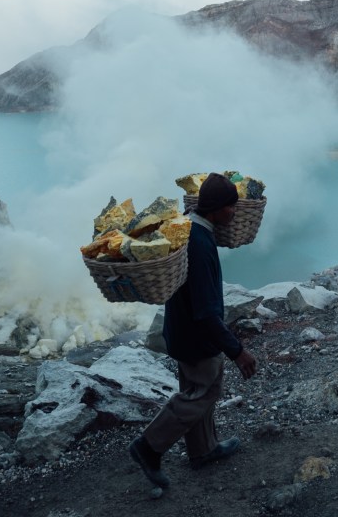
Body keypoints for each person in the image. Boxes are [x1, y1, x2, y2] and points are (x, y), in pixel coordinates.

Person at [130, 173, 258, 489]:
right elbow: (205, 311)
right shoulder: (200, 244)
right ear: (215, 208)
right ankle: (148, 446)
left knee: (198, 389)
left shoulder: (187, 226)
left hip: (179, 329)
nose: (234, 213)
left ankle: (203, 451)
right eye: (231, 207)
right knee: (204, 392)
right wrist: (237, 350)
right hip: (196, 336)